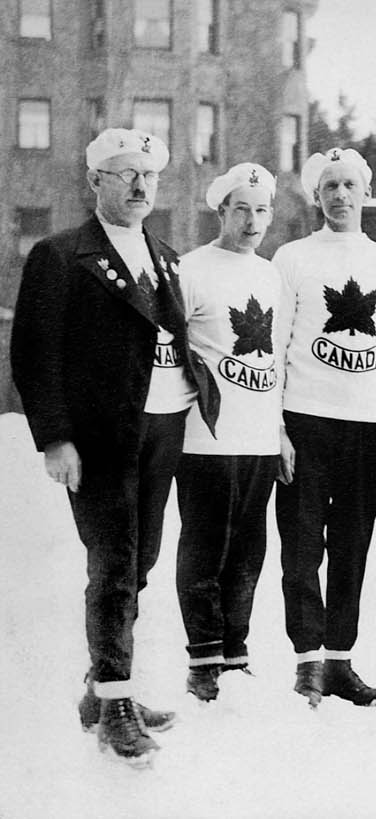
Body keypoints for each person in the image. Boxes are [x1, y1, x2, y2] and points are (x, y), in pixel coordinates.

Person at [11, 128, 218, 765]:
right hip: (103, 435)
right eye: (125, 174)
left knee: (141, 560)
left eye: (148, 175)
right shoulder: (61, 254)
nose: (139, 186)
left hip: (164, 425)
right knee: (114, 562)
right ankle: (116, 705)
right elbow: (34, 353)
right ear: (95, 180)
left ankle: (103, 688)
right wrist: (56, 438)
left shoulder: (166, 256)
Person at [271, 147, 376, 707]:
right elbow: (274, 345)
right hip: (306, 419)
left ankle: (340, 661)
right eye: (329, 186)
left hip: (366, 426)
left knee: (353, 547)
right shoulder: (293, 257)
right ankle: (307, 661)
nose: (340, 195)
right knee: (302, 547)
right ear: (316, 196)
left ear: (367, 192)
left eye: (350, 185)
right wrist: (277, 427)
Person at [175, 163, 282, 702]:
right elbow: (170, 351)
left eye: (261, 211)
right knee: (205, 547)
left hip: (260, 438)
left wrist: (280, 430)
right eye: (241, 209)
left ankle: (235, 654)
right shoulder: (192, 269)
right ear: (221, 211)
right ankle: (203, 658)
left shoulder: (271, 275)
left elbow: (280, 359)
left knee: (248, 550)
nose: (252, 221)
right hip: (205, 439)